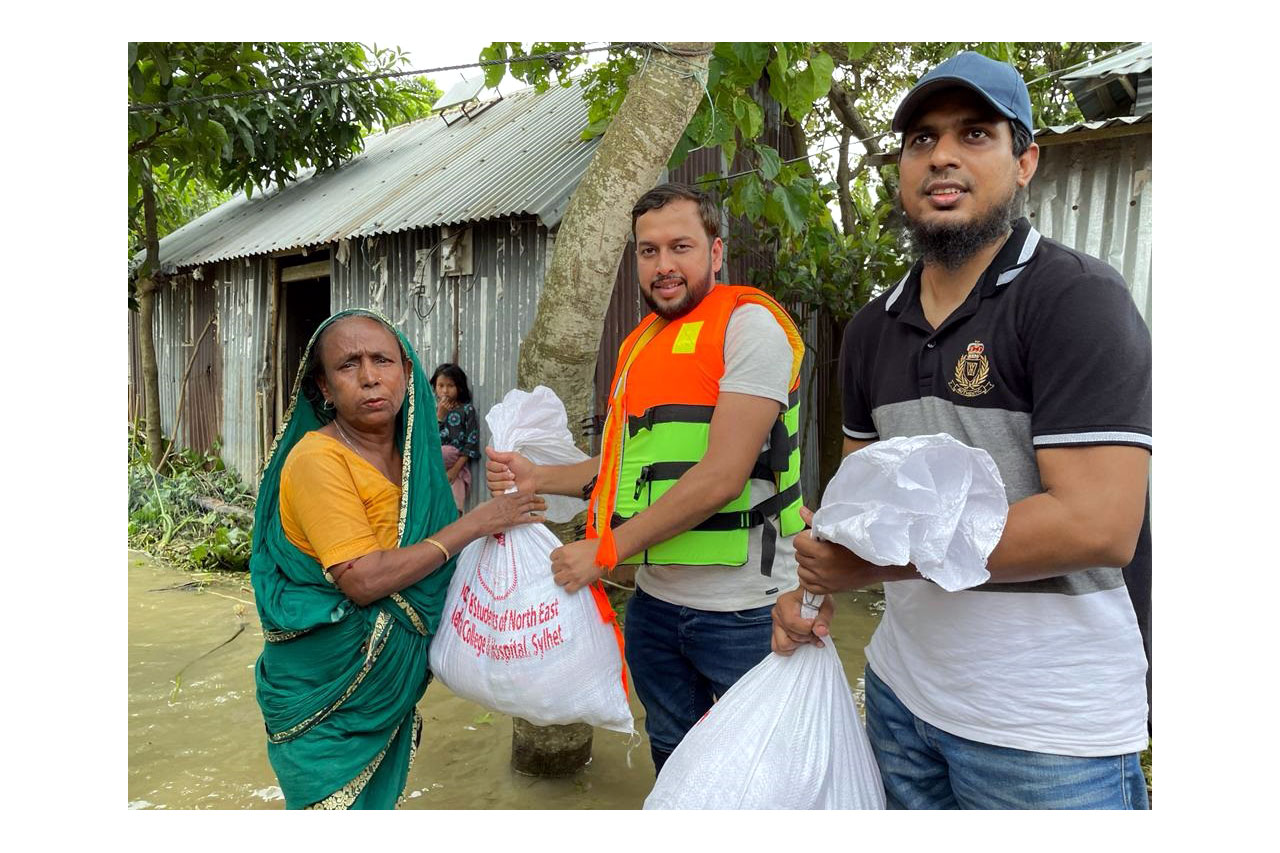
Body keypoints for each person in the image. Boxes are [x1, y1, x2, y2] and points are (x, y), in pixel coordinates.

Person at [771, 51, 1151, 810]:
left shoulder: (1077, 301)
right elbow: (862, 506)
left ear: (1025, 162)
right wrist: (812, 579)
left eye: (975, 134)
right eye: (921, 139)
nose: (941, 155)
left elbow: (1096, 525)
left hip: (1045, 733)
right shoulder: (876, 328)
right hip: (902, 702)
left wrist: (877, 566)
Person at [487, 183, 807, 774]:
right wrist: (539, 477)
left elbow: (721, 477)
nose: (663, 266)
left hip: (745, 611)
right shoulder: (642, 344)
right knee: (674, 762)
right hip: (657, 606)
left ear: (715, 252)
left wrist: (606, 550)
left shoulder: (749, 326)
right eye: (648, 251)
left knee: (758, 777)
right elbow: (624, 473)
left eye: (680, 247)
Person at [249, 309, 544, 809]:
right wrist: (479, 521)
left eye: (382, 360)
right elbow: (362, 580)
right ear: (323, 385)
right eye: (348, 365)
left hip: (388, 688)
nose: (369, 376)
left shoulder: (416, 461)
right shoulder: (318, 460)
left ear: (407, 374)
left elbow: (432, 565)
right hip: (326, 698)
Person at [431, 363, 480, 511]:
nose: (445, 391)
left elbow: (471, 442)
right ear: (435, 387)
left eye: (450, 386)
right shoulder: (431, 410)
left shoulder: (466, 409)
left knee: (454, 508)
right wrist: (439, 416)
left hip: (456, 466)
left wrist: (455, 470)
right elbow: (428, 439)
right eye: (441, 386)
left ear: (459, 387)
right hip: (434, 467)